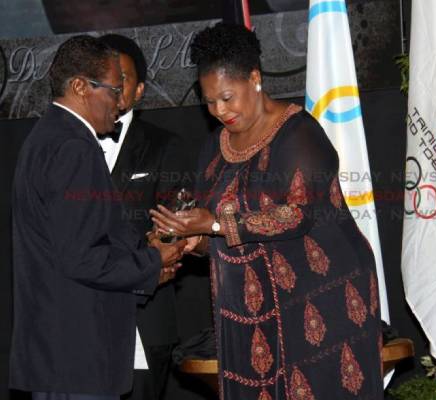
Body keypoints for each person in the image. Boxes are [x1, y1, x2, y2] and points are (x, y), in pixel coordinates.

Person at [149, 23, 383, 399]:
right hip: (256, 307)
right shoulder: (213, 149)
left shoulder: (299, 134)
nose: (219, 110)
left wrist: (212, 224)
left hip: (324, 293)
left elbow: (297, 214)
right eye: (209, 102)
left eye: (226, 97)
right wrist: (193, 239)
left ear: (255, 78)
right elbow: (225, 236)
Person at [9, 35, 185, 400]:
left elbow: (69, 247)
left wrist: (146, 265)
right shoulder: (74, 147)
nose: (120, 102)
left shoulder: (45, 137)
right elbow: (82, 258)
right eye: (113, 90)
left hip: (59, 357)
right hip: (78, 359)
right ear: (80, 87)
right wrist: (153, 260)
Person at [98, 33, 195, 400]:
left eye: (122, 79)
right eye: (103, 77)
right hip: (76, 325)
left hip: (142, 321)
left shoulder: (165, 147)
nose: (113, 87)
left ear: (139, 90)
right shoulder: (69, 146)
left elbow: (174, 232)